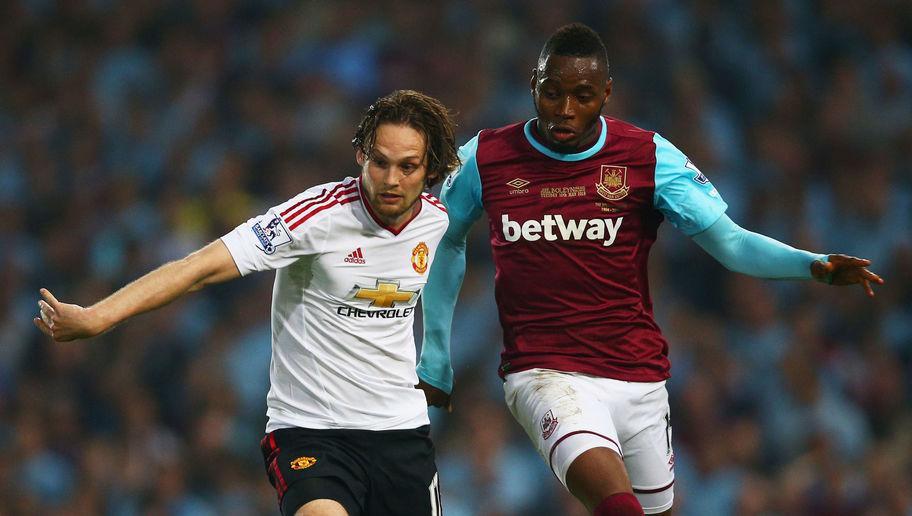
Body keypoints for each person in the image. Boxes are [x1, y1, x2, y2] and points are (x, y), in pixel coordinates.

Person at [416, 23, 884, 516]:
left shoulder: (647, 156)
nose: (565, 110)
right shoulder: (486, 157)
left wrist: (813, 266)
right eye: (552, 93)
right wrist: (437, 355)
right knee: (618, 507)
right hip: (544, 371)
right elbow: (446, 240)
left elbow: (731, 243)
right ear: (533, 86)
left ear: (606, 94)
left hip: (637, 375)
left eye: (582, 95)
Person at [34, 89, 459, 516]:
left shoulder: (435, 221)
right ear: (360, 156)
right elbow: (199, 267)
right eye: (380, 162)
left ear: (429, 169)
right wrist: (97, 317)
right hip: (312, 432)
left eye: (408, 167)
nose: (390, 180)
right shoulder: (315, 216)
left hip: (400, 432)